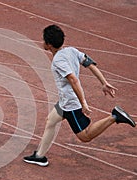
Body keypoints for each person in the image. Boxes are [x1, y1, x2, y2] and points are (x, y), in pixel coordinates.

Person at [23, 24, 136, 167]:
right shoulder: (71, 50)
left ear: (49, 45)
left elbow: (73, 79)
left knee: (85, 136)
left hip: (71, 104)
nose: (42, 42)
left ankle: (114, 117)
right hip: (65, 102)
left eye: (43, 40)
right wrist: (104, 82)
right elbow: (89, 63)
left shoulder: (58, 61)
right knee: (50, 121)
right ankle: (39, 156)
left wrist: (83, 103)